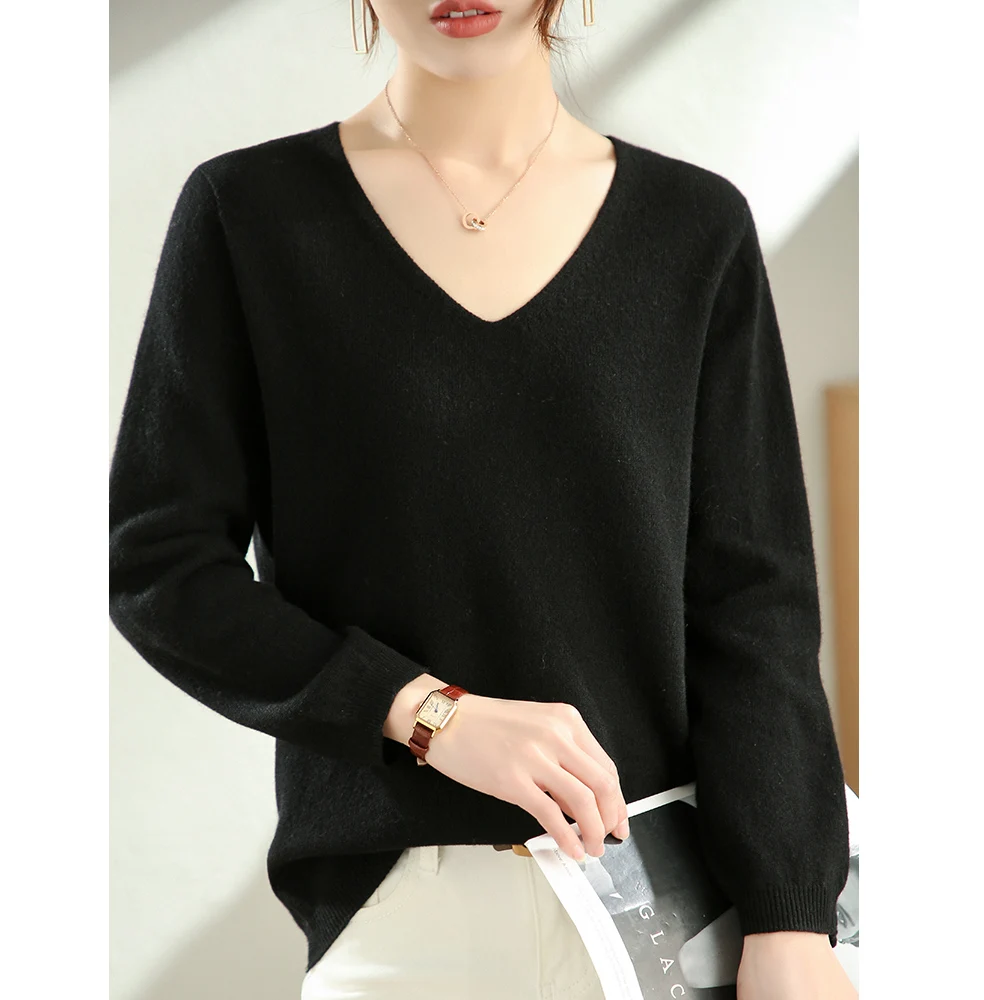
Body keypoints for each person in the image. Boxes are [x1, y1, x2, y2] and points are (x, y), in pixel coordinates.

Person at [107, 1, 857, 998]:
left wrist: (791, 914)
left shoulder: (693, 229)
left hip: (669, 916)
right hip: (404, 923)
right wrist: (428, 715)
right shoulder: (249, 215)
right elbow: (160, 566)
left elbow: (754, 604)